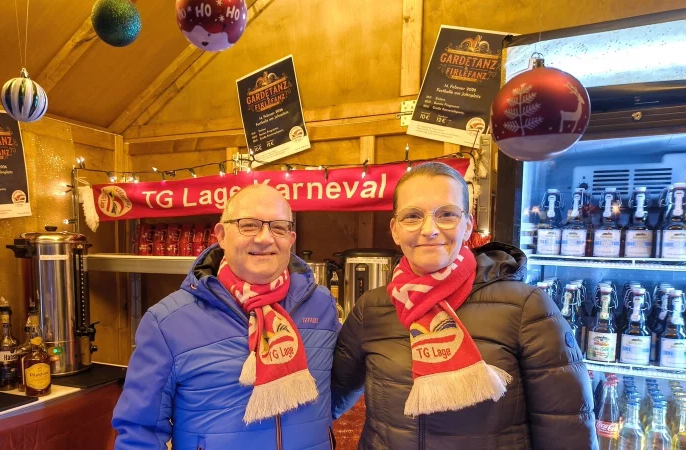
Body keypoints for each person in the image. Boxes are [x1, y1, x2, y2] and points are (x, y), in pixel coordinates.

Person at [331, 162, 597, 449]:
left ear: (468, 225)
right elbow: (332, 396)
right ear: (395, 230)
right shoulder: (371, 309)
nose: (429, 230)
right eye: (412, 216)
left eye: (446, 214)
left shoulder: (526, 308)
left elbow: (567, 430)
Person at [113, 184, 341, 450]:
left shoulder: (320, 305)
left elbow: (337, 389)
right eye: (249, 225)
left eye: (278, 227)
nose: (265, 238)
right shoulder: (167, 322)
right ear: (221, 235)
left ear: (291, 239)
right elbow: (140, 431)